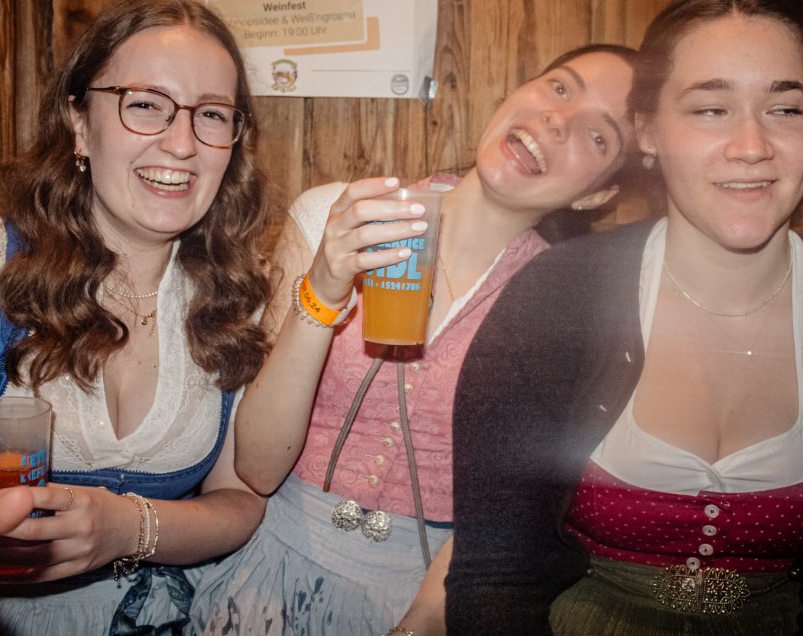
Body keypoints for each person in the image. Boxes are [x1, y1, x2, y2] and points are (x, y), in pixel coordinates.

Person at [445, 0, 803, 635]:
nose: (752, 145)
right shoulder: (553, 299)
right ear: (647, 130)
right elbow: (495, 579)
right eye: (711, 109)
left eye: (785, 109)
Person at [190, 44, 638, 635]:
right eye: (560, 87)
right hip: (269, 571)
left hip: (426, 595)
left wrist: (418, 623)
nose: (560, 120)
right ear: (517, 92)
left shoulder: (564, 305)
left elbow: (505, 513)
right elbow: (258, 468)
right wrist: (323, 288)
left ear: (596, 195)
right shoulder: (340, 216)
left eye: (598, 135)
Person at [0, 0, 272, 636]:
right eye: (144, 104)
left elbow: (239, 498)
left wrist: (130, 528)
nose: (182, 144)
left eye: (211, 114)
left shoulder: (237, 291)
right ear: (80, 123)